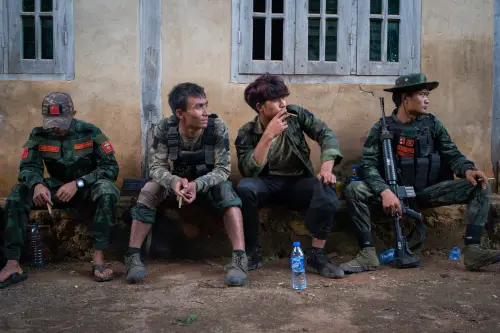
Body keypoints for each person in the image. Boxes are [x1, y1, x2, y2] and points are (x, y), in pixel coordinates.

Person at [339, 73, 500, 274]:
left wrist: (467, 169)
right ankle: (367, 254)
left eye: (427, 94)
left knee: (480, 185)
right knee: (354, 189)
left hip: (428, 191)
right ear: (405, 98)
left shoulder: (432, 125)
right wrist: (384, 191)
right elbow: (369, 166)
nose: (427, 99)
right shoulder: (382, 128)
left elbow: (452, 154)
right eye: (422, 94)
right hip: (394, 193)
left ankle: (474, 251)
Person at [124, 82, 248, 286]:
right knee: (148, 190)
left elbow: (223, 169)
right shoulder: (164, 128)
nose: (206, 112)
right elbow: (156, 168)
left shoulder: (217, 127)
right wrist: (173, 182)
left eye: (206, 105)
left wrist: (197, 185)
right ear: (180, 113)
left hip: (206, 186)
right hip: (175, 187)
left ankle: (239, 258)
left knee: (228, 194)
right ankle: (133, 257)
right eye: (199, 107)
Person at [0, 92, 120, 288]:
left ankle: (98, 257)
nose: (56, 127)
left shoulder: (90, 132)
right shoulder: (39, 135)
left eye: (61, 121)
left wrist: (78, 183)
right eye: (51, 121)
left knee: (107, 191)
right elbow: (28, 167)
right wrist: (37, 184)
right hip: (55, 189)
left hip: (86, 189)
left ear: (73, 113)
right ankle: (13, 262)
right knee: (17, 194)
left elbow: (110, 168)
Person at [235, 74, 345, 279]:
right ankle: (252, 253)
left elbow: (326, 135)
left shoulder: (296, 116)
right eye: (276, 101)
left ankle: (316, 256)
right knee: (245, 187)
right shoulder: (247, 132)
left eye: (283, 98)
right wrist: (268, 135)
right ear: (260, 107)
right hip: (266, 184)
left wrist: (327, 168)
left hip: (298, 182)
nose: (283, 104)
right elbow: (248, 171)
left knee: (326, 187)